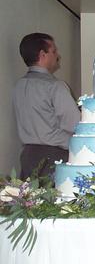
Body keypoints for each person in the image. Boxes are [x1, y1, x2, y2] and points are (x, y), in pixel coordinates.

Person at [13, 32, 80, 179]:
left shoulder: (19, 85)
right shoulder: (55, 86)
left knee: (30, 194)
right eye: (54, 51)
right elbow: (74, 125)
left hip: (28, 156)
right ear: (42, 55)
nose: (57, 56)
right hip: (53, 157)